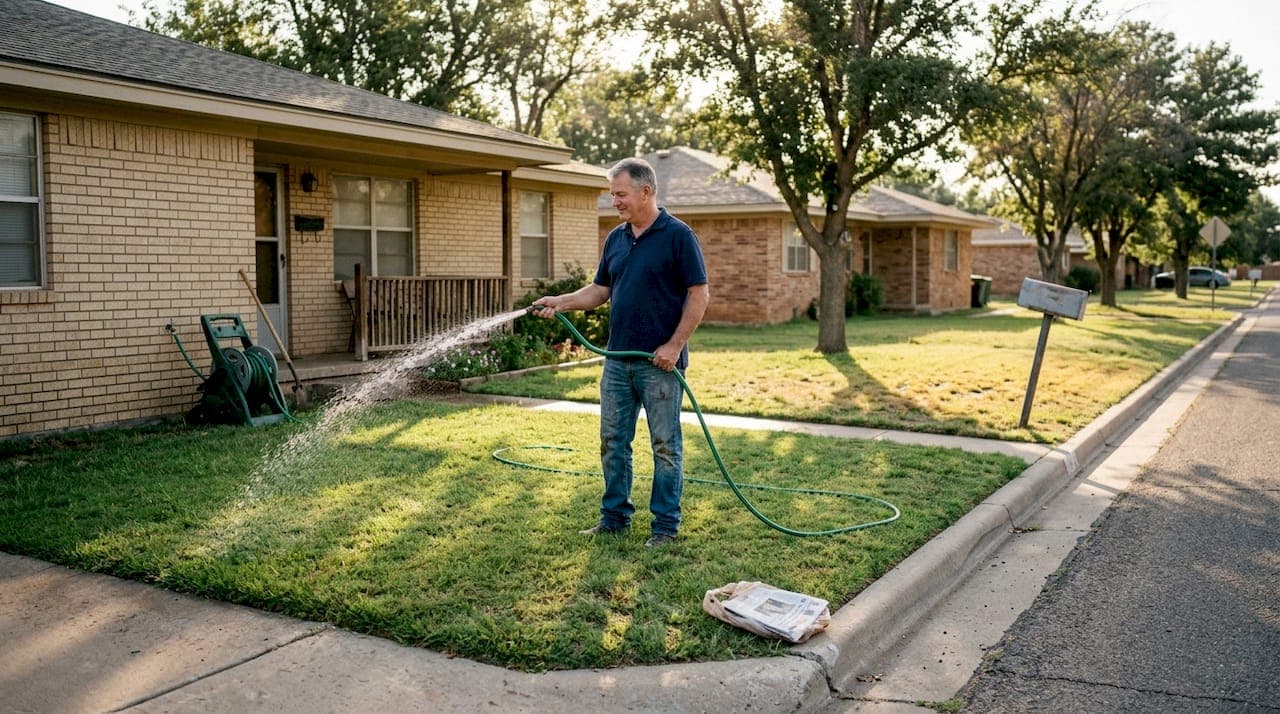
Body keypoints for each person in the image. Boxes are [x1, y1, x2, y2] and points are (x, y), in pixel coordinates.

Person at [531, 157, 709, 548]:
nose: (614, 201)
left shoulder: (678, 236)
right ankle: (614, 518)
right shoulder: (616, 238)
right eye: (612, 194)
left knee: (665, 446)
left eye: (620, 194)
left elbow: (699, 294)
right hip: (617, 361)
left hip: (659, 364)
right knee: (613, 440)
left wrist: (674, 345)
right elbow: (600, 291)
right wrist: (560, 301)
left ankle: (665, 527)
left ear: (646, 192)